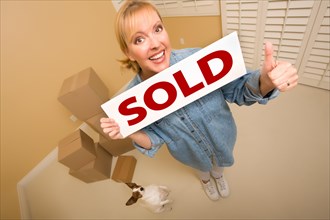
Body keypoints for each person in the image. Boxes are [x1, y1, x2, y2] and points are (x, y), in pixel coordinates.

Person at [100, 0, 298, 201]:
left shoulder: (198, 58)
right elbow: (154, 139)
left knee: (219, 165)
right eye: (139, 40)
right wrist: (128, 130)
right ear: (128, 52)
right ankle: (205, 179)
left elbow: (239, 91)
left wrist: (265, 81)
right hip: (189, 154)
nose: (155, 44)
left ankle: (218, 175)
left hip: (222, 139)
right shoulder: (133, 99)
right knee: (202, 169)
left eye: (157, 29)